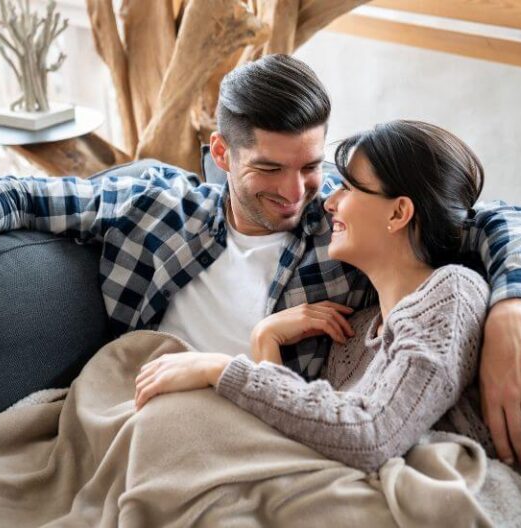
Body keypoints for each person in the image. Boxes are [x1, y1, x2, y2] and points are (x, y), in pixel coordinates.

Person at [0, 55, 521, 470]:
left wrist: (513, 314)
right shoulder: (154, 203)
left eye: (311, 166)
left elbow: (495, 221)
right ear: (221, 154)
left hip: (270, 440)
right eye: (269, 169)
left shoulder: (348, 228)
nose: (296, 192)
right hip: (152, 418)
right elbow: (26, 192)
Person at [134, 120, 495, 470]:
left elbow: (371, 437)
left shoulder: (451, 292)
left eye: (349, 188)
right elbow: (297, 449)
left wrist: (220, 368)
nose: (329, 202)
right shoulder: (352, 336)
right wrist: (265, 339)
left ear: (399, 212)